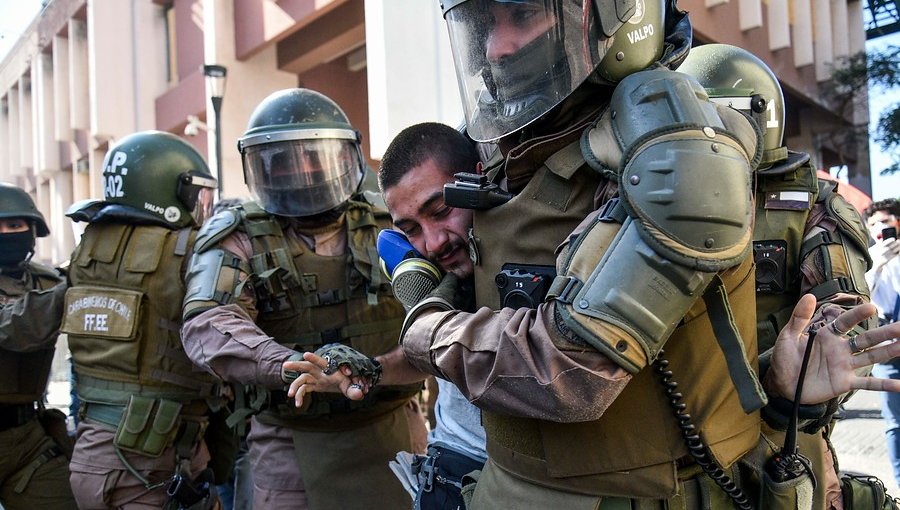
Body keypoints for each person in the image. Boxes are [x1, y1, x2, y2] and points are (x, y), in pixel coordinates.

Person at [297, 1, 900, 508]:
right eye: (485, 25)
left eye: (523, 14)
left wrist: (424, 321)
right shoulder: (525, 155)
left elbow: (570, 371)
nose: (498, 49)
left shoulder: (672, 154)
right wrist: (396, 331)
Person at [181, 88, 422, 510]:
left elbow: (443, 305)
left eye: (315, 156)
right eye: (285, 160)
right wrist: (298, 369)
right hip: (289, 441)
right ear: (261, 167)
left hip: (394, 429)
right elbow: (209, 323)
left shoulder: (391, 219)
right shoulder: (240, 235)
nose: (305, 171)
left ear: (346, 156)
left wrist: (380, 369)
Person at [679, 43, 877, 509]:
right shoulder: (642, 192)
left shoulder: (812, 205)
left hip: (777, 443)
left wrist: (800, 376)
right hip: (664, 451)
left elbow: (844, 311)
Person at [63, 131, 222, 509]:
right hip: (149, 465)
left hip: (93, 456)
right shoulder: (185, 255)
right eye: (196, 194)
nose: (202, 208)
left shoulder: (91, 250)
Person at [0, 183, 76, 510]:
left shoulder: (47, 281)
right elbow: (15, 327)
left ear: (33, 231)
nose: (6, 234)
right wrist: (74, 285)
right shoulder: (59, 289)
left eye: (15, 226)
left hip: (27, 438)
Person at [865, 198, 900, 487]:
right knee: (895, 424)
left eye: (885, 221)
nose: (879, 227)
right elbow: (861, 297)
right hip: (887, 351)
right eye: (873, 223)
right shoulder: (868, 258)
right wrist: (877, 263)